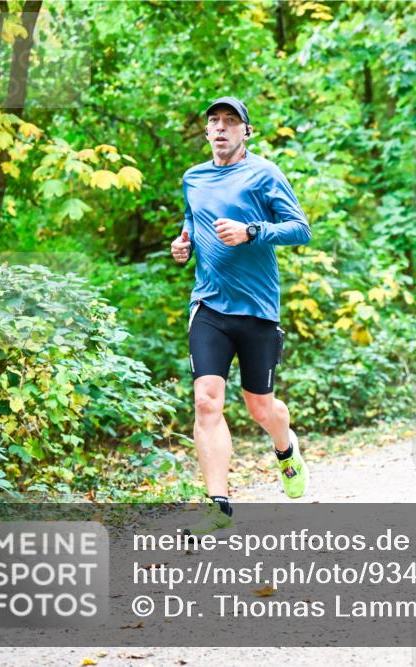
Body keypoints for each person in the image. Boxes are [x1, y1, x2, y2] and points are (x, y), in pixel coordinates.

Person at [171, 96, 312, 535]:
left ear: (245, 132)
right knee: (206, 400)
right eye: (214, 121)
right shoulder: (193, 178)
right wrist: (185, 243)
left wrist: (251, 231)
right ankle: (219, 505)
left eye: (230, 122)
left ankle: (285, 447)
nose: (220, 128)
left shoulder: (264, 174)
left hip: (257, 310)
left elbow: (300, 229)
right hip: (209, 304)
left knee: (260, 407)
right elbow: (193, 221)